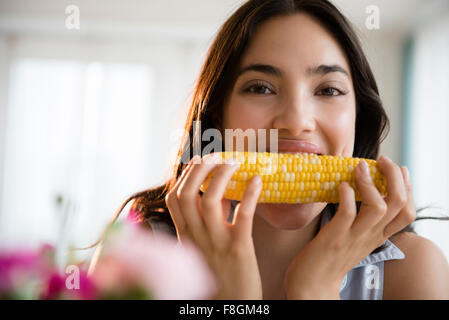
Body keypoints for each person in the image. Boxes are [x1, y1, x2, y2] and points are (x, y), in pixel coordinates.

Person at [89, 0, 449, 299]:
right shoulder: (142, 250)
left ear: (359, 117)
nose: (296, 121)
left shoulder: (412, 273)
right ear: (218, 116)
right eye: (260, 88)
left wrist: (314, 292)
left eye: (328, 90)